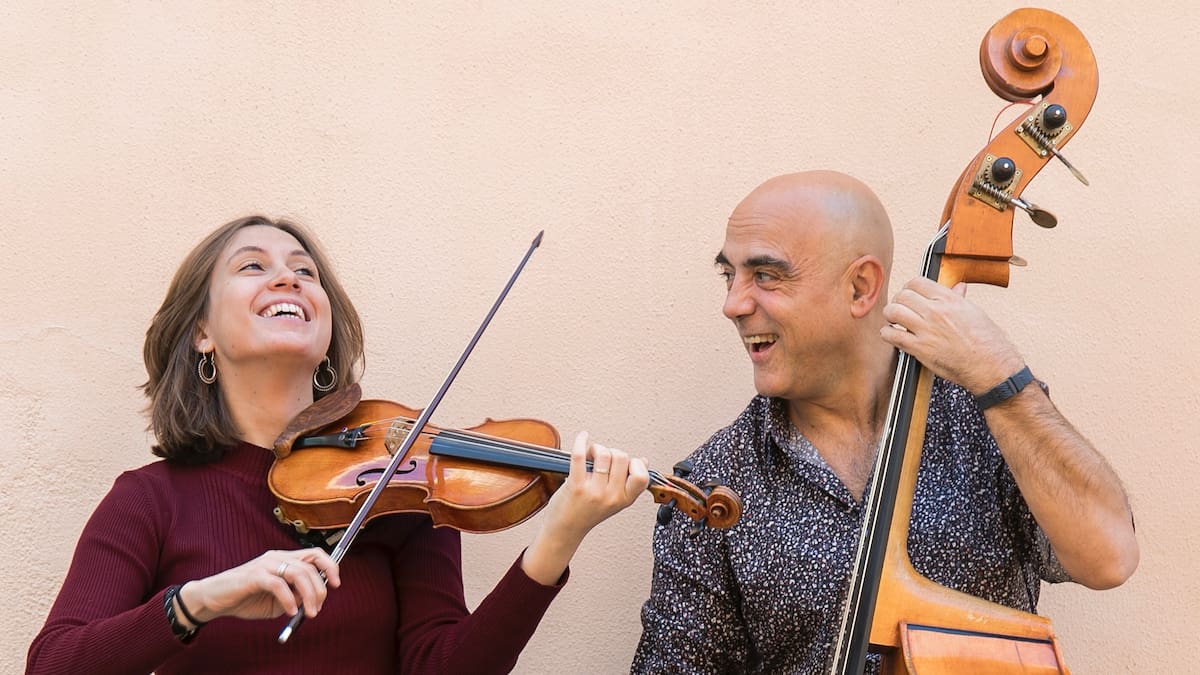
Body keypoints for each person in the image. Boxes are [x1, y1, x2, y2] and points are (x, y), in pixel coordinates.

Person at [27, 215, 651, 675]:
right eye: (254, 267)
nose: (289, 280)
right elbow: (53, 663)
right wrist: (201, 600)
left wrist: (558, 538)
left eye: (306, 272)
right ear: (200, 334)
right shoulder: (150, 500)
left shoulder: (402, 486)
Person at [631, 170, 1138, 673]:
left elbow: (1109, 558)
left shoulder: (987, 412)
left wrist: (1001, 376)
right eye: (729, 275)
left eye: (765, 275)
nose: (733, 304)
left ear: (860, 287)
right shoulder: (715, 485)